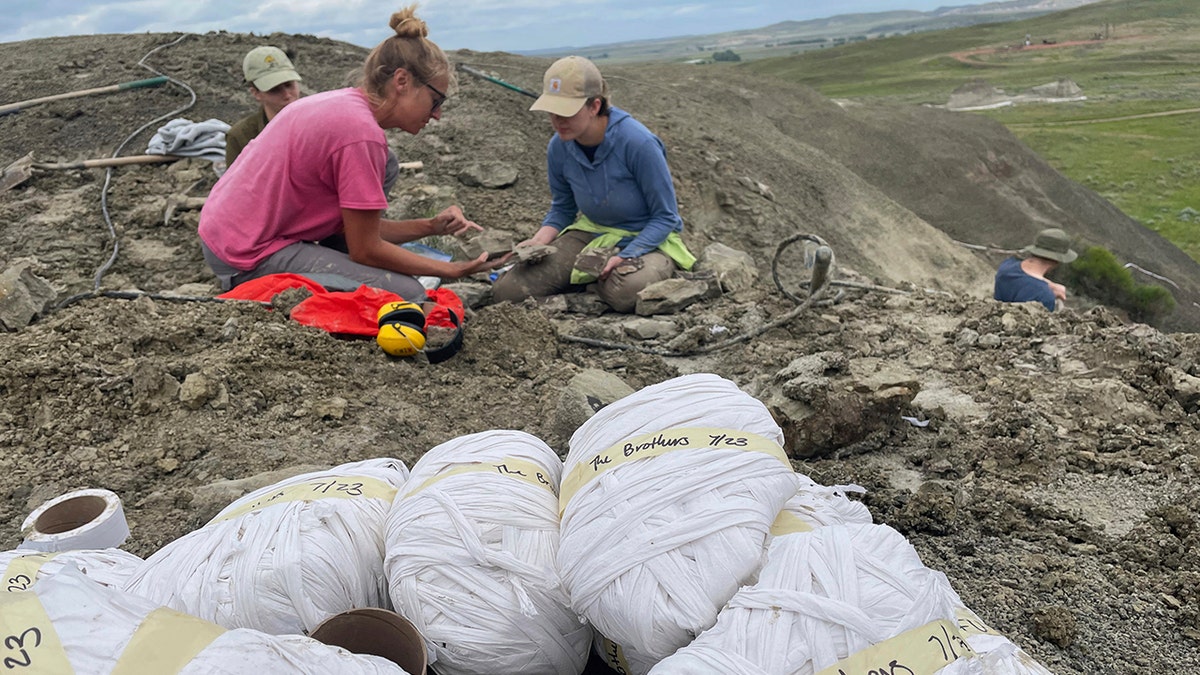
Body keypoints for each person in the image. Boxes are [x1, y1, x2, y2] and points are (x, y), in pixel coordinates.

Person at [198, 6, 505, 301]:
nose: (436, 115)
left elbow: (357, 233)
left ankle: (322, 258)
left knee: (387, 164)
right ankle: (249, 281)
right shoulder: (360, 135)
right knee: (409, 294)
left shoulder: (346, 104)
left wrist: (431, 226)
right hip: (244, 253)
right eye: (435, 101)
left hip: (232, 232)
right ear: (402, 81)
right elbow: (366, 249)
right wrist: (453, 270)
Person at [490, 55, 695, 313]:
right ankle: (589, 287)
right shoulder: (559, 147)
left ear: (594, 106)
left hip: (647, 238)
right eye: (552, 111)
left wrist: (625, 256)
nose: (557, 120)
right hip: (592, 232)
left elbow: (665, 217)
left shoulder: (638, 143)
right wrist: (538, 240)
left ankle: (607, 281)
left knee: (626, 291)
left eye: (566, 112)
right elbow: (563, 208)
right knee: (508, 291)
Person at [224, 45, 401, 191]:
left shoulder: (322, 120)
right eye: (274, 89)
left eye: (289, 85)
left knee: (388, 161)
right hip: (277, 212)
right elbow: (236, 192)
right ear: (255, 93)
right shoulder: (241, 136)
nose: (287, 95)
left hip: (326, 203)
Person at [993, 227, 1078, 311]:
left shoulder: (1007, 266)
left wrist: (1050, 285)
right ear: (1057, 261)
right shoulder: (1044, 297)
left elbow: (1027, 278)